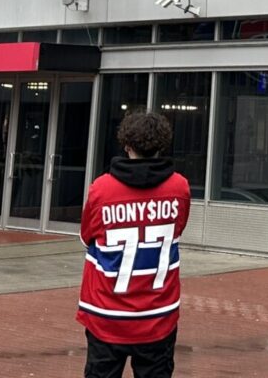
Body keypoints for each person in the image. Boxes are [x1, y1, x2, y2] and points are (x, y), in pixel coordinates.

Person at [76, 111, 192, 378]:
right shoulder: (180, 187)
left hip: (106, 312)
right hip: (158, 315)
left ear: (126, 145)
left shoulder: (101, 188)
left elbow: (87, 236)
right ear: (161, 145)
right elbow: (178, 228)